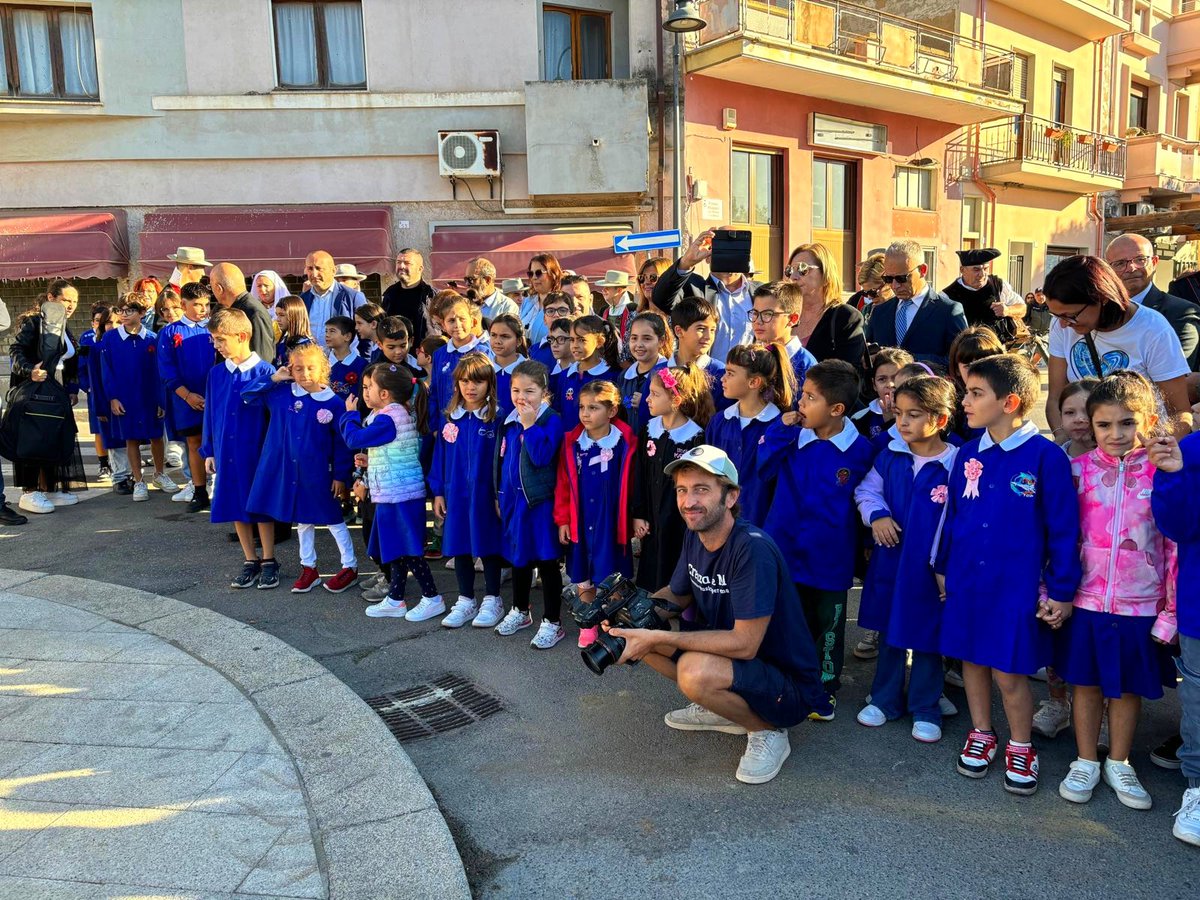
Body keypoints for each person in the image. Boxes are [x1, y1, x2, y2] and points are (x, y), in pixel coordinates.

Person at [608, 445, 831, 785]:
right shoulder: (696, 532)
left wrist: (660, 636)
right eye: (682, 490)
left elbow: (745, 644)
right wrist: (629, 613)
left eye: (701, 489)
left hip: (787, 684)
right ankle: (724, 708)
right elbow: (678, 594)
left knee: (693, 672)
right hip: (737, 664)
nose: (688, 502)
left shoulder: (752, 548)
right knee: (640, 630)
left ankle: (767, 730)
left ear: (730, 497)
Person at [937, 355, 1081, 796]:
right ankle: (981, 732)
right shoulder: (966, 452)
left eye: (976, 393)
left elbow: (1063, 530)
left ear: (1011, 401)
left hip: (1015, 587)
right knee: (972, 661)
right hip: (966, 582)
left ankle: (1021, 745)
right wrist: (943, 568)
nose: (965, 401)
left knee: (1009, 671)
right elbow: (954, 515)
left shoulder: (1046, 458)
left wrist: (1061, 589)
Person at [1056, 372, 1177, 810]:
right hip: (1086, 599)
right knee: (1085, 684)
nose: (1116, 434)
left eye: (1127, 423)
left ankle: (1119, 760)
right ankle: (1086, 758)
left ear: (1146, 421)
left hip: (1141, 603)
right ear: (1091, 424)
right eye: (1104, 425)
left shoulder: (1162, 475)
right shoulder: (1076, 472)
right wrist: (1052, 590)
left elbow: (1175, 546)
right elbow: (1059, 537)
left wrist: (1170, 613)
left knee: (1125, 688)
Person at [759, 360, 874, 713]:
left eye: (809, 398)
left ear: (836, 409)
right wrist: (781, 429)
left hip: (830, 558)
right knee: (787, 621)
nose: (800, 404)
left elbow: (866, 499)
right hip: (785, 550)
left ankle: (825, 687)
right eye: (802, 394)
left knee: (829, 627)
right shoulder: (792, 437)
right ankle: (787, 679)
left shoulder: (861, 450)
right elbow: (761, 468)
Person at [854, 375, 958, 742]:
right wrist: (877, 515)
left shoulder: (957, 464)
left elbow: (961, 518)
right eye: (899, 413)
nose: (903, 422)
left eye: (914, 414)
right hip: (891, 564)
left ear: (940, 420)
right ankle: (884, 700)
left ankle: (926, 706)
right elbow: (866, 491)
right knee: (889, 632)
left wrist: (947, 565)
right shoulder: (890, 456)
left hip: (930, 571)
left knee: (929, 637)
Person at [244, 344, 357, 594]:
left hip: (320, 473)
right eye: (298, 368)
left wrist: (340, 476)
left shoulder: (334, 403)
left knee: (332, 519)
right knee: (303, 520)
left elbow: (342, 444)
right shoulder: (282, 393)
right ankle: (309, 567)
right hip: (291, 473)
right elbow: (247, 394)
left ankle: (349, 566)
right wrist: (274, 377)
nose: (304, 374)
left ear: (323, 369)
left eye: (310, 368)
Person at [1044, 255, 1193, 438]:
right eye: (1056, 315)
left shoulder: (1153, 329)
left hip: (1141, 449)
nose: (1063, 324)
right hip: (1087, 453)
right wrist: (1064, 443)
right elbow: (1055, 398)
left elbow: (1180, 413)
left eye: (1071, 315)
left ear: (1102, 298)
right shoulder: (1062, 323)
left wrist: (1153, 455)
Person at [339, 362, 440, 619]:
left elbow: (354, 439)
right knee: (395, 547)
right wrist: (371, 461)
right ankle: (396, 598)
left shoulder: (388, 417)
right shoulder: (395, 413)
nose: (365, 393)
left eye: (369, 387)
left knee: (409, 549)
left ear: (384, 394)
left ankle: (432, 597)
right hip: (394, 493)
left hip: (400, 495)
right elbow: (395, 452)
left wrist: (349, 415)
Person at [1147, 428, 1200, 846]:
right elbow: (1179, 526)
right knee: (1197, 693)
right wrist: (1173, 473)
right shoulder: (1192, 449)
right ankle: (1197, 788)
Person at [201, 308, 278, 589]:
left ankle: (269, 559)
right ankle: (250, 559)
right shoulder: (216, 373)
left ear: (242, 336)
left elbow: (274, 417)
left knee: (259, 504)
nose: (216, 345)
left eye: (221, 339)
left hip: (256, 450)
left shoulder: (266, 372)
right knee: (234, 502)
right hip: (225, 450)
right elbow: (210, 411)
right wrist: (209, 450)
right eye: (214, 340)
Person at [556, 380, 636, 649]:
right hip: (581, 521)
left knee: (613, 576)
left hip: (610, 522)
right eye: (581, 407)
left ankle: (613, 622)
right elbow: (563, 486)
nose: (585, 413)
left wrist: (633, 517)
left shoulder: (624, 444)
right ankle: (588, 623)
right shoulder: (573, 444)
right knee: (583, 576)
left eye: (593, 407)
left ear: (612, 411)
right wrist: (563, 520)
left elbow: (631, 486)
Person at [430, 354, 505, 629]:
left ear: (490, 384)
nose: (470, 387)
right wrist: (438, 491)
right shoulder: (451, 418)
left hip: (487, 495)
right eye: (464, 381)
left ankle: (493, 598)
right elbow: (439, 457)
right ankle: (465, 599)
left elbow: (504, 460)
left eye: (478, 381)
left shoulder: (497, 419)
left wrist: (501, 494)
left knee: (488, 545)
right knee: (460, 544)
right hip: (457, 493)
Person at [493, 360, 566, 643]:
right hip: (513, 502)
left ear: (544, 392)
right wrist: (499, 495)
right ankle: (520, 609)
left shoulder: (551, 420)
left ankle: (553, 621)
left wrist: (530, 425)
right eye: (515, 390)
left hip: (540, 504)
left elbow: (541, 457)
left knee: (547, 561)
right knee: (518, 558)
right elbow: (501, 462)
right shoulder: (509, 420)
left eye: (530, 391)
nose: (521, 397)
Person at [7, 279, 84, 516]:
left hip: (56, 391)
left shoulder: (63, 325)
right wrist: (30, 370)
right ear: (51, 298)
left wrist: (71, 389)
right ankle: (30, 491)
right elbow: (16, 350)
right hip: (33, 390)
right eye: (66, 300)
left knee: (53, 437)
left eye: (74, 301)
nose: (71, 305)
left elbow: (70, 361)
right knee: (33, 438)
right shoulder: (34, 322)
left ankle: (50, 488)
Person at [631, 365, 712, 591]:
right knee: (649, 574)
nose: (648, 399)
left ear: (675, 400)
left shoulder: (695, 437)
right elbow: (640, 475)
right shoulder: (648, 429)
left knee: (675, 569)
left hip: (679, 523)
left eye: (655, 394)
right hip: (651, 520)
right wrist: (638, 514)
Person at [99, 293, 178, 503]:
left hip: (150, 394)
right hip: (125, 396)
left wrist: (162, 399)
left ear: (142, 313)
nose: (124, 315)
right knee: (130, 437)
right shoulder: (110, 338)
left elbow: (160, 371)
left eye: (130, 310)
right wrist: (112, 397)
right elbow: (107, 371)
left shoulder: (153, 338)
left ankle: (160, 473)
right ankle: (138, 480)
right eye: (121, 310)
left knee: (156, 436)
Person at [706, 343, 793, 526]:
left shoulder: (779, 428)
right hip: (721, 522)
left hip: (761, 525)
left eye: (730, 373)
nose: (723, 378)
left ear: (754, 382)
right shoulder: (719, 421)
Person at [651, 228, 762, 363]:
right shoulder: (693, 287)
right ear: (708, 255)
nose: (729, 252)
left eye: (735, 246)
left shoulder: (759, 292)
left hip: (746, 379)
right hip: (702, 376)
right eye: (722, 246)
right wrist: (687, 261)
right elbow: (660, 298)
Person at [1105, 234, 1200, 371]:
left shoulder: (1180, 313)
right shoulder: (1098, 309)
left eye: (1140, 260)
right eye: (1120, 263)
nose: (1131, 268)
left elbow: (1175, 376)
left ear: (1154, 262)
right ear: (1108, 270)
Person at [156, 282, 214, 511]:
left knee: (220, 441)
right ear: (183, 304)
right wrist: (187, 395)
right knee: (194, 442)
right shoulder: (169, 332)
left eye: (207, 304)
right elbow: (166, 370)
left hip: (214, 395)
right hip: (186, 399)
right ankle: (199, 491)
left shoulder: (214, 327)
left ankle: (222, 488)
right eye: (197, 304)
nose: (203, 309)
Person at [866, 240, 968, 367]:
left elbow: (961, 361)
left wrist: (909, 359)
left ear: (923, 270)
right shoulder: (880, 312)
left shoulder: (948, 311)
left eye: (901, 278)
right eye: (888, 279)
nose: (895, 285)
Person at [785, 243, 867, 370]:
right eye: (789, 270)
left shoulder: (846, 317)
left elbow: (848, 376)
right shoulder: (782, 314)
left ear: (825, 275)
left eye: (802, 269)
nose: (793, 277)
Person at [427, 294, 493, 432]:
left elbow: (492, 391)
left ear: (473, 322)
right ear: (443, 326)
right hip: (445, 425)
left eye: (462, 319)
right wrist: (434, 426)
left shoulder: (484, 352)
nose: (457, 325)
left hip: (476, 426)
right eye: (451, 320)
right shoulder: (439, 354)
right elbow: (435, 392)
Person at [941, 248, 1027, 343]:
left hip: (998, 349)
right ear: (962, 270)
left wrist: (1008, 310)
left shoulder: (998, 286)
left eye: (985, 269)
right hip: (965, 353)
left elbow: (1022, 308)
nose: (982, 274)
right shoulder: (947, 296)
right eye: (976, 269)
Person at [749, 282, 818, 386]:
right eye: (755, 313)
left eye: (768, 314)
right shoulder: (749, 357)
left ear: (792, 319)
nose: (758, 321)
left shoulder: (807, 366)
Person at [668, 296, 728, 412]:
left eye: (712, 330)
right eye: (701, 329)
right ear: (679, 331)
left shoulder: (720, 373)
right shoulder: (659, 372)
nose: (708, 337)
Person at [560, 315, 619, 430]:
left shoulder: (612, 376)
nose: (575, 345)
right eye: (572, 340)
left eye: (582, 340)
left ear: (600, 342)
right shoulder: (565, 376)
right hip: (569, 444)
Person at [210, 262, 275, 366]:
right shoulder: (237, 308)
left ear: (218, 288)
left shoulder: (254, 312)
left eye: (211, 287)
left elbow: (263, 358)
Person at [79, 303, 115, 483]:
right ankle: (104, 464)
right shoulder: (86, 338)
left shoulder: (115, 337)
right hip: (95, 389)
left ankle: (122, 463)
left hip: (115, 389)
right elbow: (80, 366)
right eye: (98, 321)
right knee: (99, 429)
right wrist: (87, 387)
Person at [302, 251, 367, 348]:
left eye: (319, 268)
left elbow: (366, 334)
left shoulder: (353, 297)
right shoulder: (303, 299)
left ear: (333, 271)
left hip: (344, 360)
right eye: (310, 268)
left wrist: (364, 361)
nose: (314, 274)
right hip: (312, 360)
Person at [619, 312, 671, 434]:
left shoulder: (669, 373)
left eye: (647, 338)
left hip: (657, 443)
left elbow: (676, 408)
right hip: (631, 445)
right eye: (634, 338)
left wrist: (645, 403)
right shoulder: (624, 376)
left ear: (661, 341)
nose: (639, 345)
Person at [852, 347, 913, 443]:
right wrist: (888, 423)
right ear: (874, 385)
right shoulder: (860, 418)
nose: (890, 384)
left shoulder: (920, 414)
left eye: (896, 377)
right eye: (882, 379)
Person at [381, 249, 435, 345]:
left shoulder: (431, 296)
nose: (401, 266)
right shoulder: (389, 294)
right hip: (395, 355)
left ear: (420, 268)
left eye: (407, 263)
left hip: (424, 355)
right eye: (398, 262)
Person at [488, 313, 526, 421]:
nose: (497, 341)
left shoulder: (530, 372)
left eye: (505, 336)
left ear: (518, 341)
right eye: (493, 335)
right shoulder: (484, 370)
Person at [522, 253, 564, 346]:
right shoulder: (527, 302)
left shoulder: (561, 305)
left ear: (553, 274)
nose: (534, 277)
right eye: (530, 273)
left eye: (538, 273)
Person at [465, 257, 520, 323]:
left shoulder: (507, 306)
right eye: (466, 279)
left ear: (487, 280)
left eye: (471, 279)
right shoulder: (465, 303)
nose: (467, 283)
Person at [326, 316, 366, 399]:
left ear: (347, 336)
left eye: (332, 331)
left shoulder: (362, 365)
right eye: (326, 331)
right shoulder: (321, 363)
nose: (327, 335)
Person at [273, 295, 314, 367]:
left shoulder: (304, 346)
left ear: (294, 316)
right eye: (277, 315)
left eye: (282, 315)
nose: (278, 319)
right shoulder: (284, 340)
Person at [850, 253, 892, 320]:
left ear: (889, 283)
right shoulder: (866, 311)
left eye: (873, 292)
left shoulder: (904, 310)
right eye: (865, 293)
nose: (869, 297)